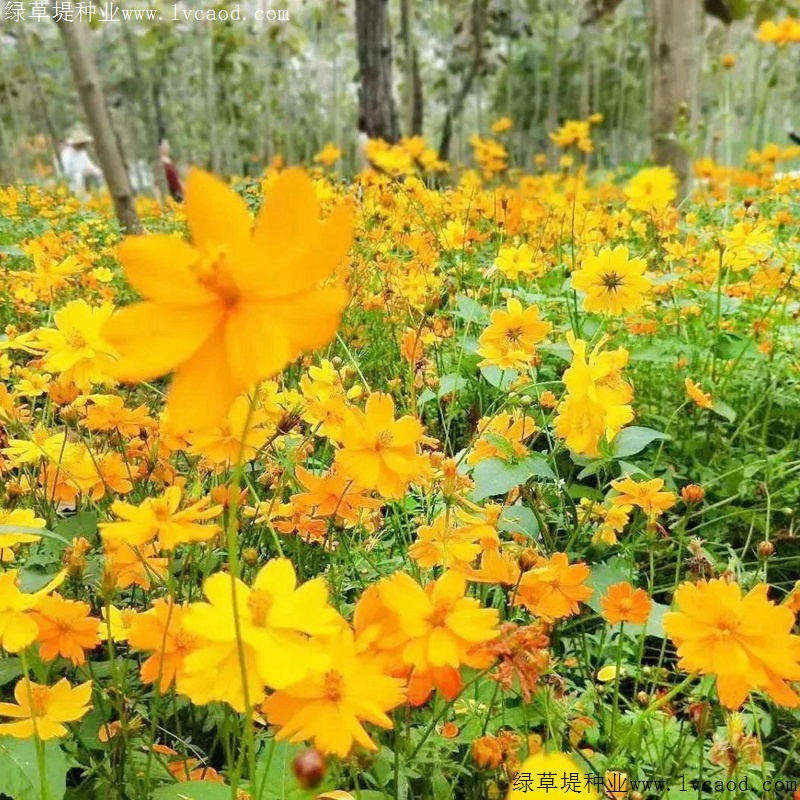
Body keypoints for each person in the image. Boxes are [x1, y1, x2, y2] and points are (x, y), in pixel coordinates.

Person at [59, 127, 103, 197]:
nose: (84, 145)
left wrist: (99, 172)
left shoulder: (82, 152)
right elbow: (68, 173)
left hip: (87, 183)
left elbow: (90, 166)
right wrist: (83, 172)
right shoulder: (66, 154)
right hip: (75, 185)